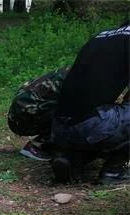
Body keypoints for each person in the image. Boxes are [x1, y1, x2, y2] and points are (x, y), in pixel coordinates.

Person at [50, 24, 129, 184]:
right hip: (90, 126)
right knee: (108, 121)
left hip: (58, 129)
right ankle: (114, 172)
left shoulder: (101, 36)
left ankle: (72, 160)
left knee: (96, 114)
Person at [7, 68, 68, 161]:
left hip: (22, 111)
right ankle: (38, 145)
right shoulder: (78, 77)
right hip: (23, 118)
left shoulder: (76, 70)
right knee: (76, 115)